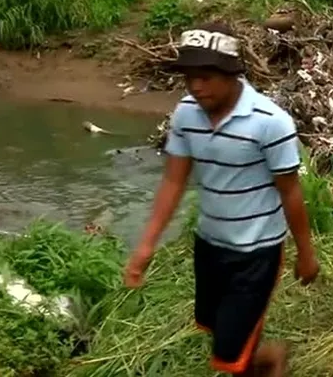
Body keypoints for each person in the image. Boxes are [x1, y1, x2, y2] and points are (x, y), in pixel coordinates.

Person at [124, 22, 319, 376]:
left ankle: (261, 362)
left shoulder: (270, 122)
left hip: (256, 252)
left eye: (207, 76)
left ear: (231, 74)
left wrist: (306, 253)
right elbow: (173, 179)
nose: (196, 86)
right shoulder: (186, 114)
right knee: (219, 331)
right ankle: (268, 358)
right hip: (210, 245)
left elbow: (290, 190)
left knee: (228, 353)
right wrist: (146, 245)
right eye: (189, 77)